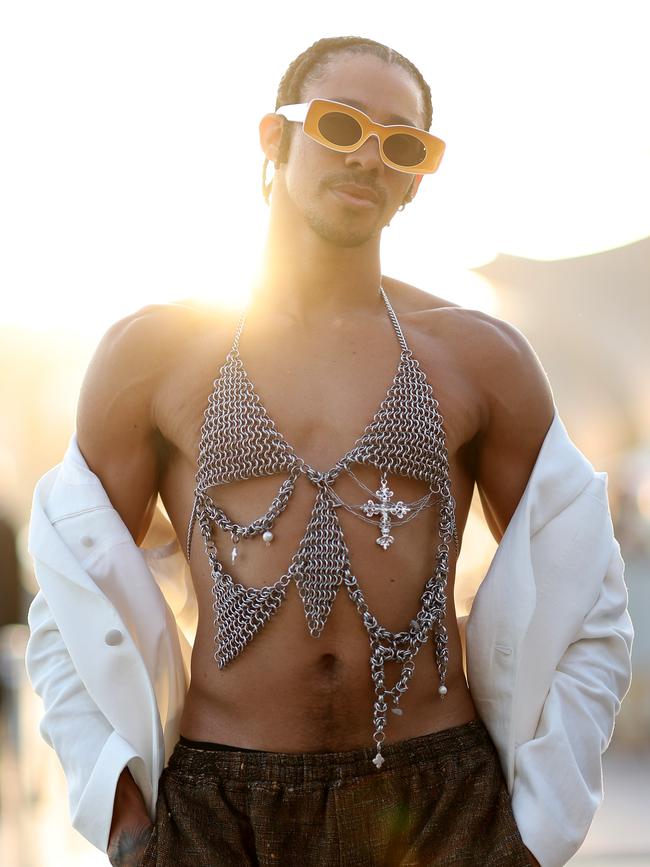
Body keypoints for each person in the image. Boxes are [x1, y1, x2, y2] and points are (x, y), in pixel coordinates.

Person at [24, 36, 633, 867]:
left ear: (418, 176)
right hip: (218, 806)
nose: (370, 157)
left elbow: (594, 602)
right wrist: (127, 823)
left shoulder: (481, 359)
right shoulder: (154, 355)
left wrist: (533, 833)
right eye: (341, 126)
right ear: (274, 137)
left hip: (438, 802)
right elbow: (62, 599)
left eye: (402, 143)